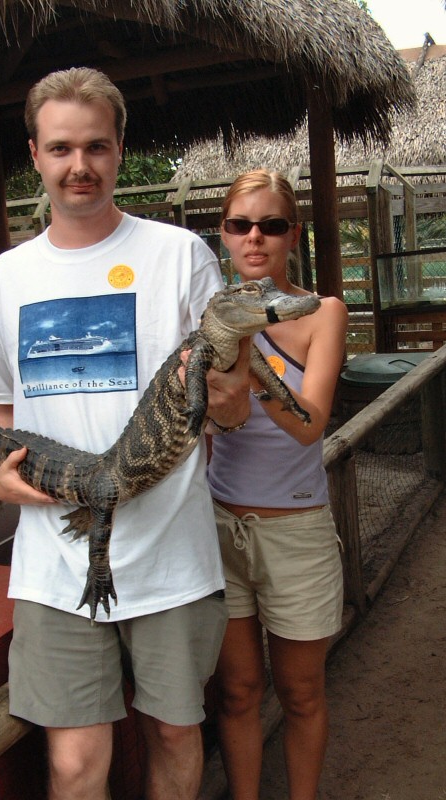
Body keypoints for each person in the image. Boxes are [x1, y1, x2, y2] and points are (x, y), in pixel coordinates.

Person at [0, 67, 248, 800]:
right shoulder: (2, 280)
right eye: (61, 148)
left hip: (171, 557)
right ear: (35, 154)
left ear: (120, 148)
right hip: (54, 562)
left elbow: (231, 409)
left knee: (175, 735)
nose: (79, 165)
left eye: (96, 146)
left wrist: (229, 398)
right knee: (74, 763)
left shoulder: (181, 256)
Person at [206, 169, 348, 800]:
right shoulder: (211, 315)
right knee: (237, 692)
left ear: (294, 234)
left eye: (271, 225)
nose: (254, 238)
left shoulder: (322, 313)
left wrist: (252, 365)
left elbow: (309, 427)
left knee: (301, 692)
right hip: (219, 529)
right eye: (240, 225)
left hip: (295, 533)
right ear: (224, 234)